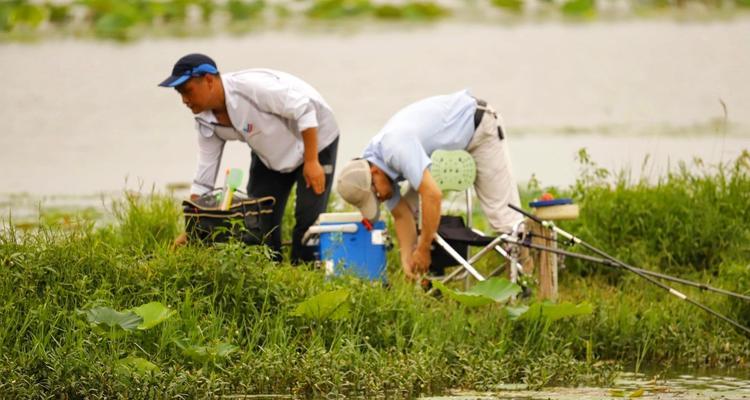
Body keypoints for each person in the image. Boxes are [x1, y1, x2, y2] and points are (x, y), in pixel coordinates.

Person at [160, 53, 340, 263]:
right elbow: (203, 181)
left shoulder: (252, 89)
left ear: (209, 80)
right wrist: (191, 230)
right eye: (179, 93)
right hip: (269, 151)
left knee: (309, 221)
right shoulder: (204, 121)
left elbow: (305, 110)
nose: (184, 100)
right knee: (257, 219)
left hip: (315, 140)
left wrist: (311, 161)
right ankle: (273, 276)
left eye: (187, 91)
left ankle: (306, 275)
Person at [336, 90, 521, 280]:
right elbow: (401, 215)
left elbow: (432, 195)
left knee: (504, 218)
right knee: (414, 212)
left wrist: (423, 249)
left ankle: (525, 280)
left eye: (375, 197)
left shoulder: (395, 147)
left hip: (479, 125)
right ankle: (429, 277)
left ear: (374, 174)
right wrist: (407, 259)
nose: (380, 200)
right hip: (444, 149)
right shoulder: (374, 162)